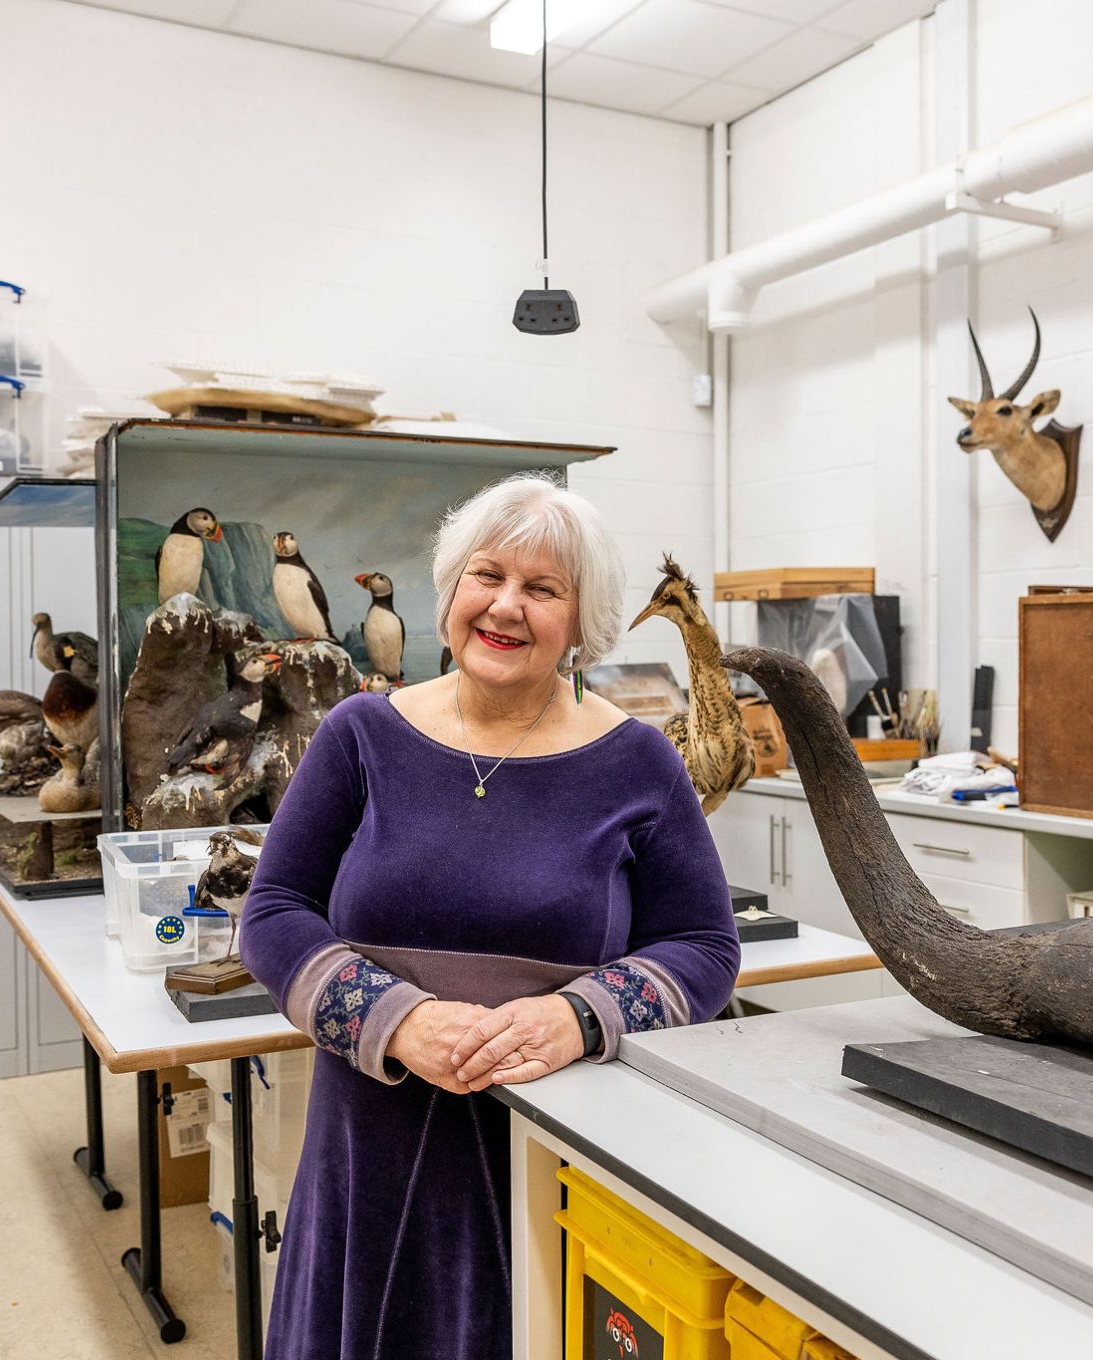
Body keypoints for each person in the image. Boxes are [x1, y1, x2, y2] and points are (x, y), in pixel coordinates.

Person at [239, 472, 739, 1360]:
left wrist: (577, 1017)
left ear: (580, 623)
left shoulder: (637, 762)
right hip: (372, 1145)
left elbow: (702, 949)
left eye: (543, 589)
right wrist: (399, 1021)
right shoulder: (362, 735)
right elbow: (274, 913)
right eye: (487, 576)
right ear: (451, 591)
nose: (506, 606)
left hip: (549, 1148)